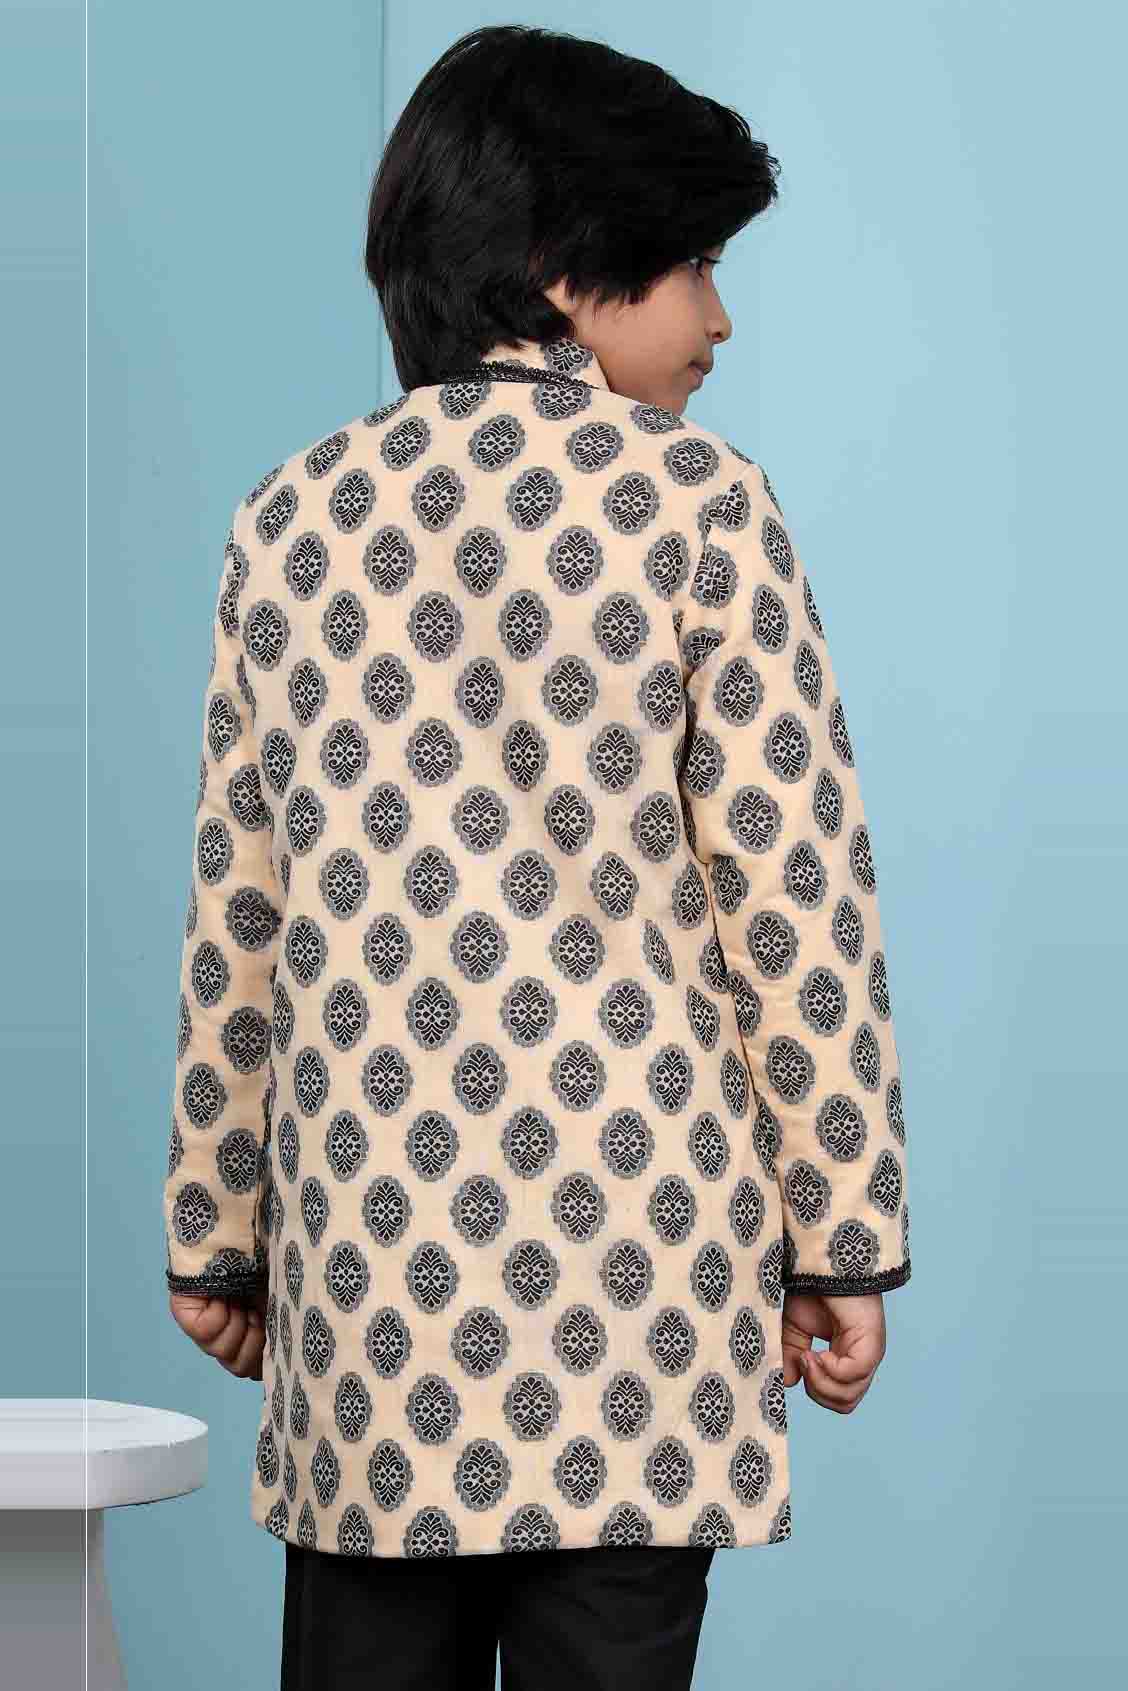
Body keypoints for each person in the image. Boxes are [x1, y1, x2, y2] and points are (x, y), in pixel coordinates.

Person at [163, 23, 913, 1690]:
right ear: (568, 272)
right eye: (697, 264)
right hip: (640, 1307)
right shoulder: (706, 508)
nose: (719, 319)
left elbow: (241, 920)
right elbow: (796, 905)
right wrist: (840, 1237)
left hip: (374, 1293)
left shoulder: (291, 521)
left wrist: (219, 1231)